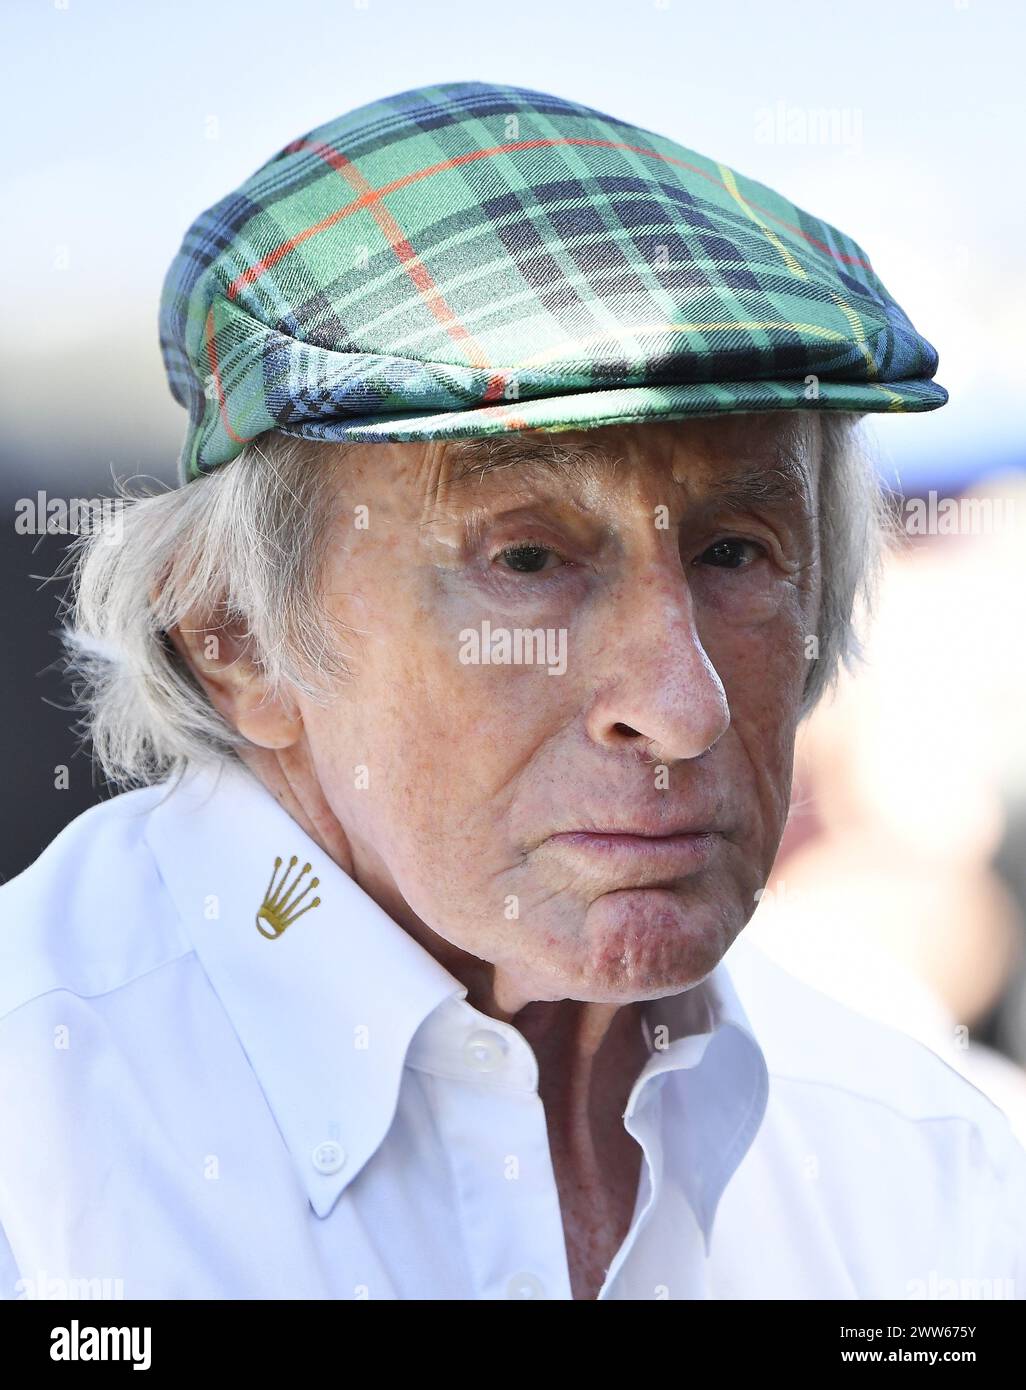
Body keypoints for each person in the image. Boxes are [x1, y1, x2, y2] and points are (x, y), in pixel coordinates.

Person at [2, 79, 1022, 1302]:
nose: (684, 707)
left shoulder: (923, 1163)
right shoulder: (42, 1139)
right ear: (236, 638)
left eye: (736, 551)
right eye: (527, 559)